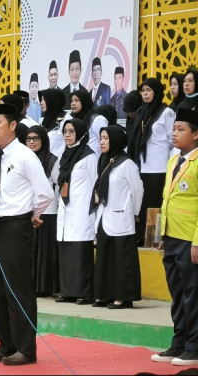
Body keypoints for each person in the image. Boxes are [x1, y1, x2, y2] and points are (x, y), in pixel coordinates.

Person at [0, 103, 54, 366]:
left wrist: (30, 214)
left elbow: (45, 193)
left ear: (12, 125)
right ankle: (6, 344)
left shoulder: (24, 155)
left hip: (15, 226)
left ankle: (26, 348)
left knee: (17, 289)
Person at [151, 108, 198, 365]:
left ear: (196, 134)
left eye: (181, 130)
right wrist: (161, 234)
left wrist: (197, 241)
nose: (175, 134)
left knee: (193, 293)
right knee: (177, 293)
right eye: (174, 129)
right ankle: (179, 342)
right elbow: (166, 200)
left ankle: (195, 345)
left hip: (190, 238)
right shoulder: (172, 161)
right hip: (171, 236)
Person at [91, 125, 143, 309]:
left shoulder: (126, 163)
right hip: (105, 217)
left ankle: (123, 297)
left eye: (106, 138)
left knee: (122, 259)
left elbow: (137, 190)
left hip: (122, 217)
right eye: (101, 138)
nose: (102, 142)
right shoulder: (104, 160)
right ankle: (104, 294)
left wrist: (134, 212)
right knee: (105, 258)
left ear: (116, 140)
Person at [128, 78, 175, 246]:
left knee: (155, 202)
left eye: (149, 90)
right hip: (143, 165)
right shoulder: (141, 111)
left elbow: (172, 141)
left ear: (156, 92)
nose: (145, 93)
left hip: (159, 166)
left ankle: (156, 239)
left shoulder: (166, 112)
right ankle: (141, 237)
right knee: (143, 201)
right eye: (143, 90)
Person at [56, 119, 97, 304]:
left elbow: (97, 184)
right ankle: (67, 291)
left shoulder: (89, 156)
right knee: (66, 252)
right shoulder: (65, 155)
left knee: (80, 252)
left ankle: (83, 292)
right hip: (66, 209)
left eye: (71, 131)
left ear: (80, 133)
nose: (67, 135)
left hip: (81, 211)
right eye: (65, 131)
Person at [26, 126, 60, 297]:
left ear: (43, 140)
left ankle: (45, 286)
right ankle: (31, 284)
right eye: (28, 139)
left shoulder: (52, 160)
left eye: (35, 138)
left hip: (48, 211)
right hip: (28, 211)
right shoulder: (24, 160)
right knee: (31, 251)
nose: (31, 142)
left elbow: (59, 185)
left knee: (45, 251)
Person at [69, 90, 108, 157]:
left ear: (84, 101)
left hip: (94, 161)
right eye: (71, 101)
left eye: (76, 100)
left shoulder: (96, 119)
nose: (73, 103)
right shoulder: (72, 119)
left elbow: (107, 141)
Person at [39, 88, 71, 157]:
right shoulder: (43, 121)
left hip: (60, 163)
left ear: (52, 100)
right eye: (41, 100)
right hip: (45, 161)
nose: (41, 102)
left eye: (44, 99)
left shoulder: (67, 119)